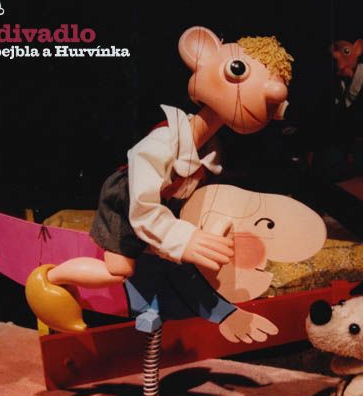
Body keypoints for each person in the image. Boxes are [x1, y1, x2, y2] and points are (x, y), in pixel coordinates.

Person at [25, 26, 292, 343]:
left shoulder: (210, 150)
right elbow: (141, 201)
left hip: (159, 207)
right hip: (127, 198)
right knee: (118, 269)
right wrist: (184, 237)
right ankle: (47, 281)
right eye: (237, 70)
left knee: (167, 258)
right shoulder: (164, 140)